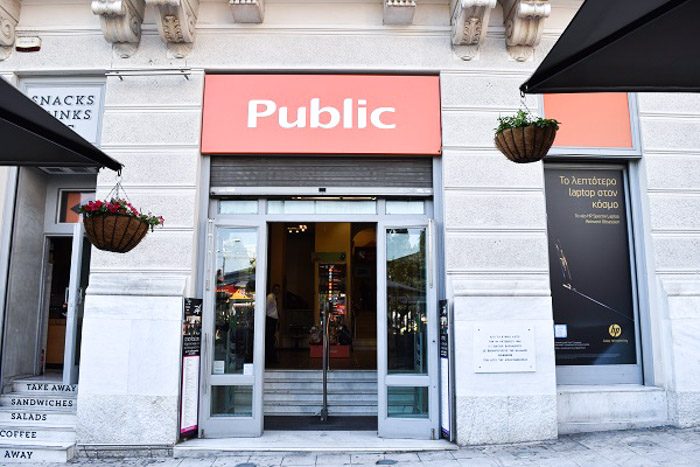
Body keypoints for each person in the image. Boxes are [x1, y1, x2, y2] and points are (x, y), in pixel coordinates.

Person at [266, 284, 281, 365]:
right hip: (270, 320)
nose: (277, 291)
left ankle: (271, 357)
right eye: (276, 289)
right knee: (270, 339)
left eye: (278, 289)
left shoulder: (274, 298)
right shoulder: (270, 297)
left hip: (273, 319)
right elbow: (266, 308)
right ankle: (270, 358)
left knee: (272, 338)